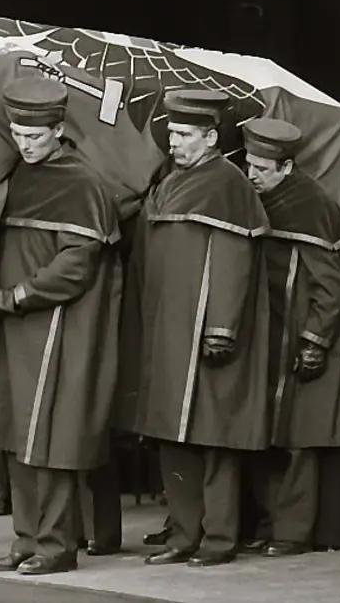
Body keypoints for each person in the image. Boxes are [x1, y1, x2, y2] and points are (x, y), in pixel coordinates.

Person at [0, 76, 124, 576]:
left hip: (57, 326)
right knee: (14, 433)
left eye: (33, 136)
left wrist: (16, 296)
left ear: (57, 130)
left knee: (50, 437)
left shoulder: (83, 183)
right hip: (11, 328)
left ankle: (56, 545)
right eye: (17, 135)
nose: (24, 145)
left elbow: (76, 264)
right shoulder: (15, 177)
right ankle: (26, 539)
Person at [130, 89, 271, 568]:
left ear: (211, 137)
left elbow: (235, 262)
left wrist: (221, 327)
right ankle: (184, 534)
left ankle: (219, 538)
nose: (175, 143)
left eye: (186, 135)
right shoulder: (169, 181)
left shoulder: (228, 184)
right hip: (168, 330)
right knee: (173, 437)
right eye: (172, 134)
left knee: (214, 439)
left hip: (206, 334)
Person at [243, 118, 340, 556]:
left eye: (261, 169)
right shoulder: (254, 198)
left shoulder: (312, 206)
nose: (252, 175)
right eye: (249, 165)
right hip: (264, 336)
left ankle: (293, 531)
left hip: (297, 339)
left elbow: (332, 286)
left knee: (297, 439)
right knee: (265, 434)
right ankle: (269, 523)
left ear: (286, 167)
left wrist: (315, 341)